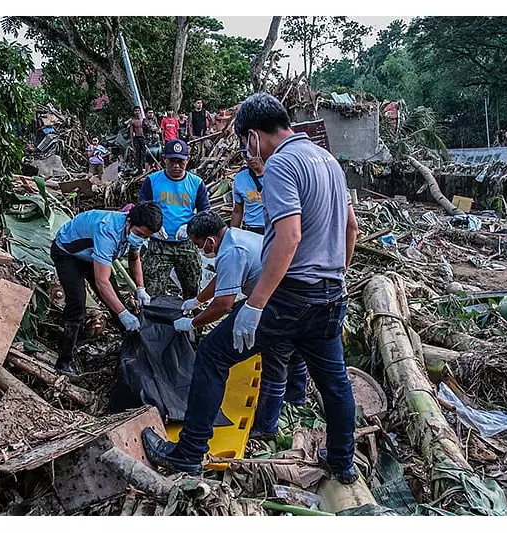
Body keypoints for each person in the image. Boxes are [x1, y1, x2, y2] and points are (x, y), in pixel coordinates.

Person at [141, 93, 361, 485]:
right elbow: (351, 228)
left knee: (212, 354)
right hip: (331, 294)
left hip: (291, 294)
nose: (247, 150)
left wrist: (256, 303)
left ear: (255, 136)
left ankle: (189, 453)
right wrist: (337, 275)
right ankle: (342, 461)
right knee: (334, 382)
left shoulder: (281, 164)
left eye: (245, 142)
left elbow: (288, 237)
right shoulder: (329, 162)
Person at [176, 211, 308, 438]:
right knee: (294, 348)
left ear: (210, 240)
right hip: (294, 296)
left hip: (276, 303)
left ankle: (266, 426)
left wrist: (192, 323)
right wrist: (198, 300)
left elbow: (223, 305)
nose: (201, 250)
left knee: (273, 356)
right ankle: (296, 398)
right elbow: (223, 279)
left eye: (200, 245)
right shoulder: (235, 236)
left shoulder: (231, 251)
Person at [50, 202, 164, 375]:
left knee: (116, 302)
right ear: (128, 222)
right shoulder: (108, 231)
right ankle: (64, 361)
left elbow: (134, 259)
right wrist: (123, 313)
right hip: (68, 253)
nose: (140, 238)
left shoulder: (136, 233)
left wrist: (141, 288)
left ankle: (132, 349)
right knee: (77, 304)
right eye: (139, 234)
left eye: (145, 236)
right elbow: (102, 282)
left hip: (93, 255)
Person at [138, 139, 210, 300]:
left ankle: (190, 322)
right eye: (172, 161)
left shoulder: (196, 183)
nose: (176, 166)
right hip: (159, 244)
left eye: (180, 162)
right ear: (164, 159)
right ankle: (154, 323)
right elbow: (142, 209)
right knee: (153, 291)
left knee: (192, 291)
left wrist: (190, 226)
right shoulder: (152, 181)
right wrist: (154, 227)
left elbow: (205, 213)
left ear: (187, 160)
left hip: (186, 244)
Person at [231, 154, 266, 234]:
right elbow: (237, 211)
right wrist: (233, 235)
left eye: (252, 154)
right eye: (245, 155)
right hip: (251, 230)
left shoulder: (276, 172)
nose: (249, 158)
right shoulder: (240, 178)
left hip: (273, 228)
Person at [129, 107, 146, 173]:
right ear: (134, 112)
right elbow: (131, 132)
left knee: (144, 153)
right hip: (136, 138)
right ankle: (139, 168)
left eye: (138, 111)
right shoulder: (132, 121)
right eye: (135, 111)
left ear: (140, 112)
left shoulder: (143, 120)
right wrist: (132, 142)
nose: (137, 112)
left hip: (143, 138)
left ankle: (144, 166)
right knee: (138, 153)